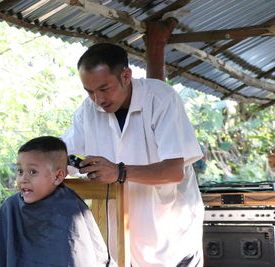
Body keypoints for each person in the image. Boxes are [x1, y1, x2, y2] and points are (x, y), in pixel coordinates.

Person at [62, 43, 205, 267]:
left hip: (171, 237)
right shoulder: (87, 111)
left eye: (104, 88)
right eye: (90, 92)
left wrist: (119, 172)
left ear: (126, 76)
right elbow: (65, 155)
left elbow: (173, 171)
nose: (98, 100)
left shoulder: (161, 98)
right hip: (120, 240)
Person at [0, 136, 116, 267]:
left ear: (58, 176)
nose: (23, 179)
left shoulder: (69, 211)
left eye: (33, 172)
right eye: (20, 171)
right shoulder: (11, 208)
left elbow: (76, 259)